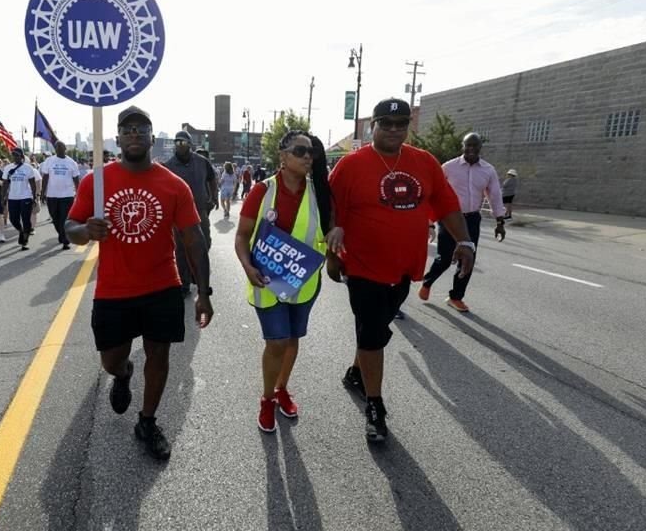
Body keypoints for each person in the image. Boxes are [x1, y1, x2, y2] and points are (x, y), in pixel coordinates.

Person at [64, 106, 214, 460]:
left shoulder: (173, 185)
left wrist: (204, 294)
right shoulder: (95, 182)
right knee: (111, 360)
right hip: (114, 290)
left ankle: (147, 421)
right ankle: (124, 373)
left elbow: (193, 240)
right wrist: (86, 230)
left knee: (159, 355)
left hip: (162, 286)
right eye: (127, 130)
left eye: (141, 129)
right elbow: (70, 227)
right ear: (117, 138)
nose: (134, 135)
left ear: (151, 136)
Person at [327, 98, 473, 442]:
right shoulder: (350, 165)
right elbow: (332, 211)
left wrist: (465, 242)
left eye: (401, 124)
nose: (394, 130)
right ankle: (375, 407)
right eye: (386, 123)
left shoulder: (424, 162)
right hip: (362, 265)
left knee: (376, 326)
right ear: (371, 126)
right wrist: (331, 255)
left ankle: (355, 371)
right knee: (372, 331)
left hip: (405, 266)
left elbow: (446, 203)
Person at [235, 131, 330, 433]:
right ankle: (267, 399)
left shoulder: (320, 193)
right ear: (283, 156)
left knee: (291, 340)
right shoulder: (263, 191)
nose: (307, 157)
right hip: (266, 281)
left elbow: (332, 227)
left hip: (303, 282)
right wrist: (247, 266)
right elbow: (240, 236)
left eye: (311, 152)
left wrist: (336, 232)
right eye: (300, 151)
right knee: (276, 342)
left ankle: (282, 388)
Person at [418, 132, 506, 313]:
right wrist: (430, 221)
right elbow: (434, 194)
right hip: (449, 218)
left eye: (475, 146)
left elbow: (495, 196)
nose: (472, 149)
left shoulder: (488, 170)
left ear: (480, 147)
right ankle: (427, 282)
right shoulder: (448, 167)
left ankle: (455, 297)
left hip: (472, 219)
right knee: (444, 258)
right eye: (468, 145)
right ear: (462, 146)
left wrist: (500, 221)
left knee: (467, 260)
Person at [163, 131, 218, 296]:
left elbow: (212, 178)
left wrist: (213, 197)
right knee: (181, 249)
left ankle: (195, 272)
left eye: (183, 142)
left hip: (200, 210)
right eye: (177, 142)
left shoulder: (202, 162)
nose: (180, 145)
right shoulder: (169, 166)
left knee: (204, 242)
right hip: (179, 214)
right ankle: (184, 283)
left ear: (189, 144)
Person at [41, 141, 80, 250]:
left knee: (64, 218)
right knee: (55, 218)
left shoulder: (71, 163)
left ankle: (65, 240)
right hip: (52, 195)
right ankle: (61, 234)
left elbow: (76, 179)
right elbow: (45, 177)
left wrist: (79, 193)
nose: (58, 149)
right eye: (57, 147)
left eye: (60, 147)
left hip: (67, 195)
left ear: (64, 149)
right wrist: (42, 192)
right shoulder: (49, 161)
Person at [2, 148, 39, 250]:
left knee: (26, 219)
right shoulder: (8, 168)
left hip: (26, 196)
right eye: (13, 155)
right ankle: (21, 231)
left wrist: (34, 197)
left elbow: (32, 183)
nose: (15, 157)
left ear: (22, 156)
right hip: (13, 197)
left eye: (17, 155)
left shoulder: (28, 168)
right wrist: (3, 197)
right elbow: (5, 183)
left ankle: (25, 241)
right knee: (13, 219)